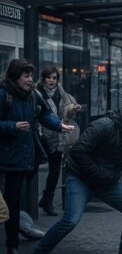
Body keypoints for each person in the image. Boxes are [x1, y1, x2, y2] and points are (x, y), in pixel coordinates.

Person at [22, 99, 122, 254]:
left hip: (107, 181)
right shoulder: (103, 126)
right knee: (70, 220)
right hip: (80, 178)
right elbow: (78, 152)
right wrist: (99, 174)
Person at [0, 59, 74, 254]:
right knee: (5, 204)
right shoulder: (3, 93)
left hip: (19, 156)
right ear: (15, 77)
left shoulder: (33, 95)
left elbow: (44, 114)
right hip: (3, 153)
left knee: (12, 202)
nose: (30, 80)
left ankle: (12, 246)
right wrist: (11, 126)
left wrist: (60, 126)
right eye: (26, 76)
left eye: (31, 76)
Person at [37, 66, 81, 215]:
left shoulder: (62, 94)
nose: (51, 81)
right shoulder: (37, 93)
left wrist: (73, 110)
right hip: (40, 135)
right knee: (33, 168)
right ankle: (32, 202)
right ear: (43, 79)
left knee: (55, 170)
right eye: (49, 77)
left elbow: (68, 108)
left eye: (54, 78)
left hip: (56, 135)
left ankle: (47, 200)